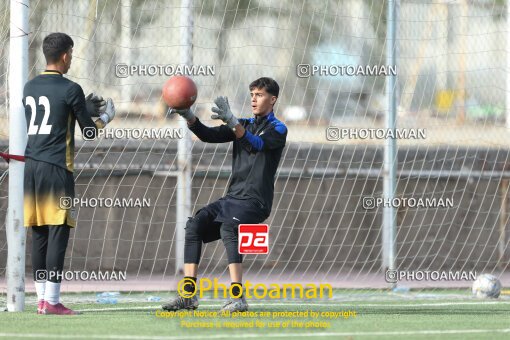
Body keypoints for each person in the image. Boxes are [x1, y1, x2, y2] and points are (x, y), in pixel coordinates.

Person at [162, 77, 287, 312]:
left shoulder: (278, 129)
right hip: (232, 198)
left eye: (259, 95)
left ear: (272, 99)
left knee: (229, 227)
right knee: (194, 225)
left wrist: (232, 122)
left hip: (256, 202)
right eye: (252, 94)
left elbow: (255, 145)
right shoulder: (244, 123)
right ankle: (188, 295)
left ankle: (238, 298)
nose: (253, 99)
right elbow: (208, 135)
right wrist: (188, 115)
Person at [23, 32, 115, 315]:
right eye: (72, 54)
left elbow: (52, 117)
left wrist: (78, 110)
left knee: (38, 234)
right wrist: (105, 119)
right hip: (56, 170)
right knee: (58, 233)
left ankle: (41, 300)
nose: (72, 59)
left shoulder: (29, 86)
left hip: (31, 168)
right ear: (65, 55)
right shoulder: (71, 88)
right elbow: (88, 132)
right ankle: (52, 301)